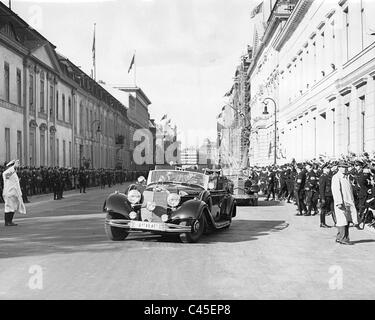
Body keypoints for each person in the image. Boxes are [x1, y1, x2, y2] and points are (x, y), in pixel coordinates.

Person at [331, 162, 359, 245]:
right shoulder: (336, 177)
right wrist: (339, 202)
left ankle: (339, 237)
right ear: (338, 168)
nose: (345, 169)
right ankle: (344, 239)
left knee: (346, 220)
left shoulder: (346, 177)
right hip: (342, 203)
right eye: (342, 167)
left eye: (346, 167)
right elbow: (336, 190)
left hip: (348, 202)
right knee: (342, 220)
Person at [2, 160, 26, 226]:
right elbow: (7, 176)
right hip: (9, 193)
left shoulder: (13, 173)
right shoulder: (6, 173)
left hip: (13, 193)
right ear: (10, 166)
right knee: (8, 207)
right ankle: (7, 222)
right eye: (13, 166)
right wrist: (14, 167)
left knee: (13, 207)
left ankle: (10, 221)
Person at [319, 164, 333, 228]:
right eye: (327, 168)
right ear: (324, 169)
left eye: (329, 168)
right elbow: (321, 188)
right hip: (326, 195)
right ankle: (322, 223)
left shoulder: (328, 176)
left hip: (329, 195)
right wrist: (322, 198)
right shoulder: (323, 177)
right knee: (323, 209)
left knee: (327, 209)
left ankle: (323, 223)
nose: (329, 169)